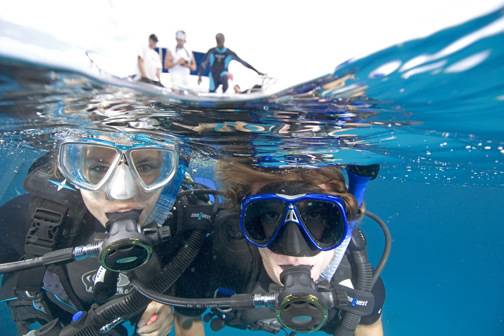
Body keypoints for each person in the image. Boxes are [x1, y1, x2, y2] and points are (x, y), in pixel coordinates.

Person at [0, 129, 197, 336]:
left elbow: (187, 305)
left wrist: (163, 299)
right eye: (98, 168)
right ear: (72, 171)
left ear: (170, 174)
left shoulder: (184, 225)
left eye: (145, 167)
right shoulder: (25, 218)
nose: (123, 193)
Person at [172, 162, 386, 336]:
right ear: (245, 221)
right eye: (271, 215)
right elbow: (186, 317)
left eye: (316, 214)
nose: (293, 250)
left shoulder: (359, 281)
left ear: (341, 222)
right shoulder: (217, 258)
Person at [198, 33, 264, 93]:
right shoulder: (211, 51)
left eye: (220, 41)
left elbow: (243, 62)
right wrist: (200, 75)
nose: (219, 43)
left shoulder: (228, 52)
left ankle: (224, 95)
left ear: (224, 41)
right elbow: (203, 64)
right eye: (218, 41)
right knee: (211, 91)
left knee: (225, 76)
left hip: (223, 73)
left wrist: (256, 71)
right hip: (213, 75)